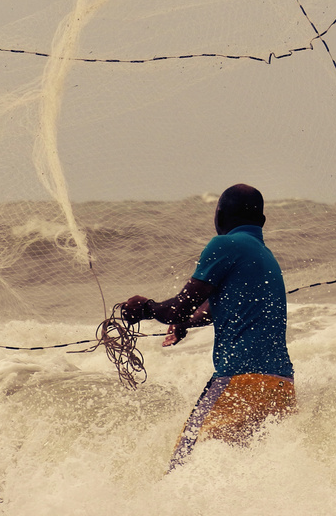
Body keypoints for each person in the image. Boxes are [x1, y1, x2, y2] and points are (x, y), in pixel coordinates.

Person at [119, 183, 296, 470]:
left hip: (241, 380)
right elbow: (215, 308)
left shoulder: (225, 244)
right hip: (280, 385)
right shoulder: (264, 255)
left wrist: (145, 307)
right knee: (245, 471)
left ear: (220, 214)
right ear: (261, 221)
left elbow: (178, 306)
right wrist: (186, 323)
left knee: (183, 464)